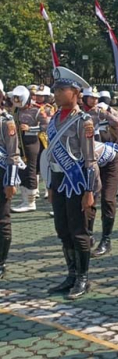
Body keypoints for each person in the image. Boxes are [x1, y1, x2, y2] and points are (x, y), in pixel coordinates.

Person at [44, 67, 98, 300]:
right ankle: (71, 273)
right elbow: (51, 155)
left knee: (79, 231)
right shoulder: (55, 118)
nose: (55, 93)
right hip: (58, 179)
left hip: (76, 182)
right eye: (55, 89)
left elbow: (90, 160)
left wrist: (89, 190)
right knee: (63, 229)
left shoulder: (83, 121)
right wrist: (49, 186)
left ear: (75, 92)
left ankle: (83, 278)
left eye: (61, 89)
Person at [82, 88, 118, 258]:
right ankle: (88, 235)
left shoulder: (104, 111)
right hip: (91, 159)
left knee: (108, 198)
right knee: (89, 197)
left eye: (96, 98)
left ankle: (106, 240)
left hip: (110, 159)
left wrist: (109, 114)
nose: (94, 100)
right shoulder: (80, 114)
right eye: (91, 98)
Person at [11, 86, 46, 213]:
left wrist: (31, 128)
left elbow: (46, 126)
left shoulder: (37, 110)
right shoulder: (15, 109)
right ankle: (25, 200)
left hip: (32, 141)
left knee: (31, 170)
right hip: (18, 141)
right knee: (21, 171)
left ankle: (31, 202)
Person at [0, 80, 22, 279]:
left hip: (1, 175)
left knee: (2, 220)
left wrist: (11, 182)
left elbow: (13, 153)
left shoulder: (6, 121)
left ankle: (1, 262)